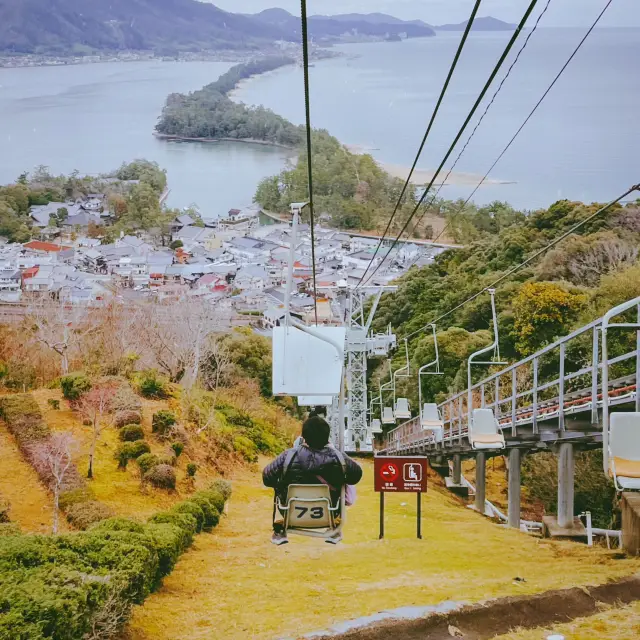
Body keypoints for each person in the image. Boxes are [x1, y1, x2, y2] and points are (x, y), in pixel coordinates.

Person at [263, 415, 363, 545]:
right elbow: (356, 476)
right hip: (329, 513)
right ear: (327, 437)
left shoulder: (289, 456)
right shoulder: (339, 457)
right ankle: (335, 529)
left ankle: (280, 530)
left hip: (291, 513)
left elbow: (267, 478)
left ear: (303, 436)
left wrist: (282, 483)